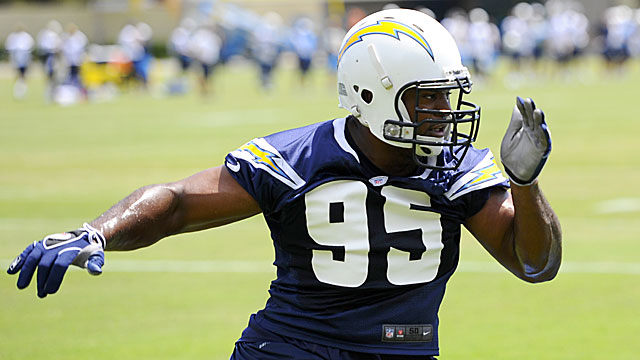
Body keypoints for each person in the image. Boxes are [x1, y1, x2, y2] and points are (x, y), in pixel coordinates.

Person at [7, 9, 561, 359]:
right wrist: (96, 233)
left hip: (403, 348)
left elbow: (534, 264)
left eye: (448, 93)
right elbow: (176, 203)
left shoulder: (458, 166)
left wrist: (525, 184)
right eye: (427, 96)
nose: (445, 111)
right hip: (291, 347)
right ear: (370, 94)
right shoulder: (298, 158)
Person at [4, 24, 34, 99]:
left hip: (24, 56)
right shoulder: (12, 37)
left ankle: (22, 89)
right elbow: (9, 47)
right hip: (16, 57)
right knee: (17, 74)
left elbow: (30, 47)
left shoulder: (26, 36)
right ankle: (18, 90)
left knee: (23, 74)